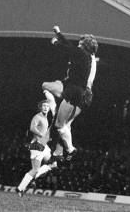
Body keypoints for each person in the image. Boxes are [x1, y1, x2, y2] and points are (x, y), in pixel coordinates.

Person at [41, 25, 98, 161]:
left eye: (80, 43)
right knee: (65, 123)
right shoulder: (87, 56)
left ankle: (68, 149)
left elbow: (68, 48)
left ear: (85, 46)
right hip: (75, 88)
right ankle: (59, 151)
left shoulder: (84, 56)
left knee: (62, 125)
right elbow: (71, 47)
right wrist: (59, 34)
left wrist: (57, 40)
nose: (78, 45)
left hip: (79, 92)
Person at [16, 100, 57, 196]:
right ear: (40, 107)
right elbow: (32, 128)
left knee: (53, 164)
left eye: (47, 106)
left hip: (44, 145)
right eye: (44, 106)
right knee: (35, 169)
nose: (46, 107)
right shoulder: (37, 117)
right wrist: (43, 135)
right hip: (36, 145)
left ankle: (33, 178)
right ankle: (20, 188)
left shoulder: (46, 118)